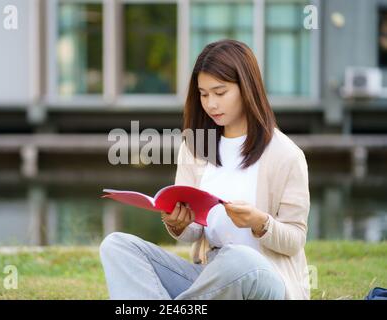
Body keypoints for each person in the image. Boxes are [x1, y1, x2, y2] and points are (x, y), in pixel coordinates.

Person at [100, 39, 310, 300]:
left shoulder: (285, 155)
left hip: (266, 281)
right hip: (210, 279)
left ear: (247, 89)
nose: (210, 104)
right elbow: (193, 234)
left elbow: (295, 239)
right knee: (117, 246)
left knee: (238, 258)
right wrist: (178, 224)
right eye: (203, 94)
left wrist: (259, 222)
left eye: (220, 93)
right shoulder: (196, 147)